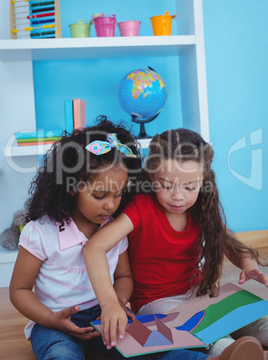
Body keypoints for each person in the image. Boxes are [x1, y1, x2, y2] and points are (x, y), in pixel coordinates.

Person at [83, 127, 268, 360]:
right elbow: (94, 247)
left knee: (258, 323)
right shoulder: (141, 208)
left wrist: (248, 263)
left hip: (200, 293)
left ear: (203, 180)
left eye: (190, 187)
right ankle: (230, 354)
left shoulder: (201, 207)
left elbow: (228, 243)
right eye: (167, 185)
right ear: (152, 176)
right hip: (157, 303)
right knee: (208, 334)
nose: (178, 196)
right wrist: (110, 304)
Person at [9, 116, 142, 360]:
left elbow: (123, 276)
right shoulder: (40, 233)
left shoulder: (113, 229)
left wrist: (117, 303)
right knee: (61, 354)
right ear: (72, 187)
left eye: (118, 194)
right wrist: (51, 319)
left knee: (148, 348)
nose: (110, 205)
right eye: (99, 195)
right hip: (54, 322)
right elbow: (19, 289)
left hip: (104, 316)